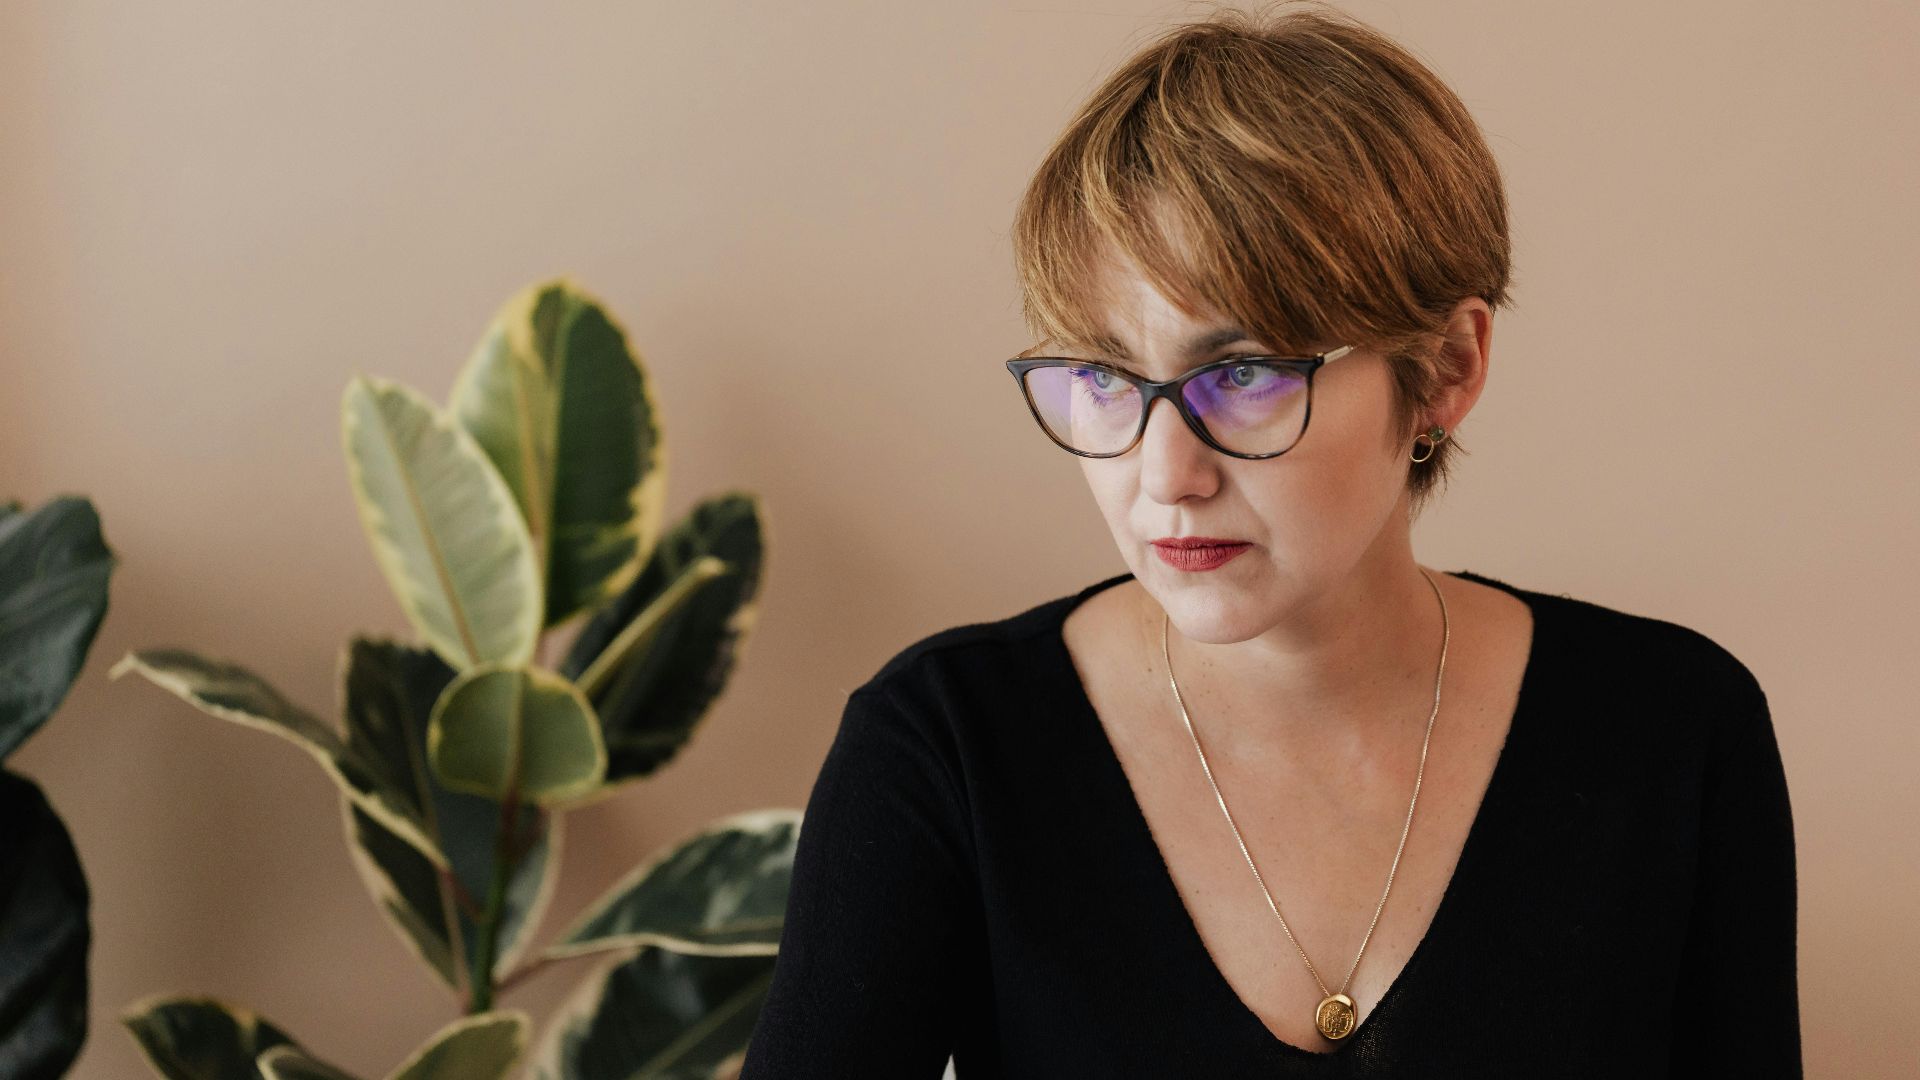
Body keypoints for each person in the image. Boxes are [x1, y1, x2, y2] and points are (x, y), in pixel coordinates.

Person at [739, 3, 1800, 1076]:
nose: (1165, 475)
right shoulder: (947, 748)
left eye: (1242, 373)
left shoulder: (1674, 732)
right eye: (1102, 376)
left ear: (1447, 368)